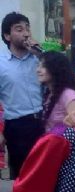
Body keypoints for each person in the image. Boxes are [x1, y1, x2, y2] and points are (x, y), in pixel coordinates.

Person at [0, 12, 44, 179]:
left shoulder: (39, 59)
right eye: (19, 29)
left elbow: (60, 74)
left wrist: (40, 53)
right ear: (7, 36)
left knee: (46, 172)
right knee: (22, 175)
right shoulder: (1, 64)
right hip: (17, 126)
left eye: (27, 29)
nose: (26, 33)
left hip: (43, 120)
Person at [37, 51, 75, 132]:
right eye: (38, 66)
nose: (38, 70)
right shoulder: (49, 93)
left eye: (43, 66)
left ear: (55, 69)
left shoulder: (69, 95)